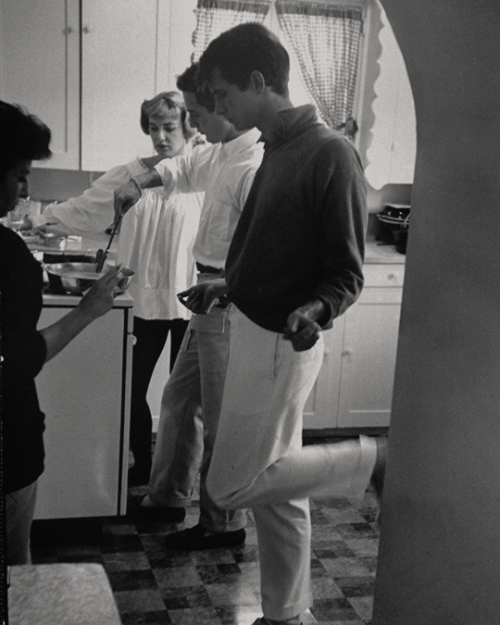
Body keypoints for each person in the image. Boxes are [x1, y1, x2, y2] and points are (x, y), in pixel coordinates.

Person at [173, 23, 387, 625]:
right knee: (280, 496)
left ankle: (368, 460)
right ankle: (287, 614)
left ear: (259, 82)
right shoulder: (276, 147)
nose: (213, 107)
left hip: (280, 345)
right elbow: (275, 245)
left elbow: (345, 271)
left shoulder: (330, 153)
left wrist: (314, 310)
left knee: (232, 487)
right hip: (250, 328)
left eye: (220, 94)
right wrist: (227, 284)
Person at [114, 63, 264, 549]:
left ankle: (223, 525)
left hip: (229, 304)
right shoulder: (220, 153)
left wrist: (225, 283)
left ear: (225, 106)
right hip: (206, 301)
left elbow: (264, 251)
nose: (196, 123)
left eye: (200, 110)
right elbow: (180, 169)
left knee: (222, 419)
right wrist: (140, 181)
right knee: (178, 402)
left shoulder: (254, 165)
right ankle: (167, 497)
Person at [30, 92, 203, 486]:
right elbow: (85, 208)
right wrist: (41, 221)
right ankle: (140, 471)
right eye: (154, 128)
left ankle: (178, 484)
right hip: (140, 300)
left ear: (187, 128)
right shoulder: (128, 174)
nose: (160, 136)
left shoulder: (201, 173)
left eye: (169, 128)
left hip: (191, 303)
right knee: (131, 389)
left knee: (187, 402)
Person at [0, 100, 123, 564]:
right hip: (8, 453)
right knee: (14, 582)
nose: (24, 188)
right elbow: (18, 360)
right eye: (20, 176)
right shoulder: (8, 258)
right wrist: (88, 311)